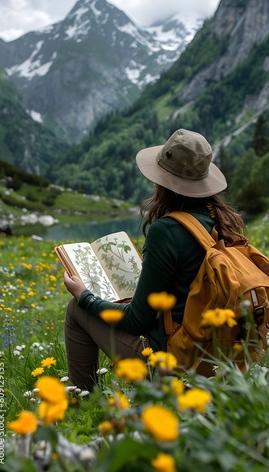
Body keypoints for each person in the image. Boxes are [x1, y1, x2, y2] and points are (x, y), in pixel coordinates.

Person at [64, 128, 247, 390]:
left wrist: (85, 296)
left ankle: (80, 405)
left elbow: (137, 321)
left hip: (176, 365)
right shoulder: (225, 221)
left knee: (77, 310)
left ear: (163, 181)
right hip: (224, 362)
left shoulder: (167, 230)